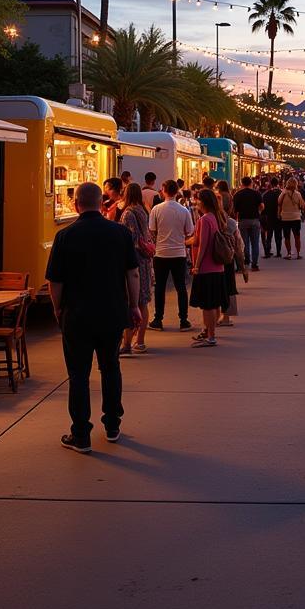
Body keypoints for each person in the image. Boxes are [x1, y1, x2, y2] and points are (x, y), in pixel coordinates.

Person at [47, 183, 141, 452]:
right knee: (110, 367)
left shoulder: (65, 236)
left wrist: (57, 309)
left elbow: (55, 281)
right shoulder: (120, 233)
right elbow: (132, 273)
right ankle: (112, 424)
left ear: (76, 204)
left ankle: (81, 435)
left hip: (77, 315)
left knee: (78, 374)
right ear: (102, 204)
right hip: (112, 311)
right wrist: (133, 306)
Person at [148, 179, 195, 332]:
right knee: (181, 287)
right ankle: (183, 319)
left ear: (164, 190)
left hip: (161, 253)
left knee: (160, 287)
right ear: (176, 191)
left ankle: (158, 319)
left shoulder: (156, 209)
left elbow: (152, 230)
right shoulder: (184, 210)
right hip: (179, 253)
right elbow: (189, 231)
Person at [190, 189, 231, 347]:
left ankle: (211, 336)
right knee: (214, 303)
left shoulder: (205, 219)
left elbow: (203, 244)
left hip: (206, 267)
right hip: (217, 267)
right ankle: (208, 332)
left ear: (204, 202)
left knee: (207, 304)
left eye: (198, 200)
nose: (196, 203)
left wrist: (196, 265)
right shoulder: (216, 217)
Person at [119, 183, 154, 355]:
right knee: (143, 302)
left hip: (134, 261)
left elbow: (130, 239)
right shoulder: (143, 210)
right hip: (145, 260)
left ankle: (126, 344)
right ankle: (140, 341)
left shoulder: (128, 213)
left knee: (131, 302)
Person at [232, 175, 263, 271]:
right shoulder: (256, 193)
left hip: (243, 220)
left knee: (244, 243)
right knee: (255, 242)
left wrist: (236, 219)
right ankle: (255, 264)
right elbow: (262, 205)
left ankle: (246, 261)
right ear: (251, 183)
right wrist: (258, 212)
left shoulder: (237, 194)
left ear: (242, 184)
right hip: (255, 220)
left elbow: (234, 210)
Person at [278, 177, 305, 260]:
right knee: (297, 236)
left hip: (285, 217)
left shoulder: (283, 193)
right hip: (296, 217)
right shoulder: (298, 194)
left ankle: (289, 253)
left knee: (287, 237)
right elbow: (302, 205)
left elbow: (279, 203)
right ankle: (298, 254)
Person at [261, 176, 283, 258]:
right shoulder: (281, 193)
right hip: (278, 217)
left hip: (269, 217)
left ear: (271, 184)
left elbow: (263, 208)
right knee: (278, 235)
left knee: (269, 235)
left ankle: (267, 251)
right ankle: (278, 252)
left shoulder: (266, 194)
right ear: (278, 183)